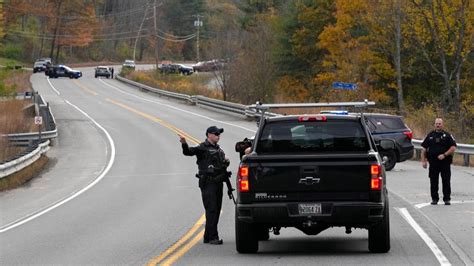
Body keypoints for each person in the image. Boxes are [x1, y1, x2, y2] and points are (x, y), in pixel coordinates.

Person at [179, 126, 229, 245]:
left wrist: (226, 162)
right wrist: (184, 143)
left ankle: (207, 236)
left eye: (219, 134)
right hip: (208, 183)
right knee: (211, 209)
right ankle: (213, 237)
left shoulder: (218, 149)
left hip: (218, 182)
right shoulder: (202, 147)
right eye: (216, 133)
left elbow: (221, 164)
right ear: (209, 135)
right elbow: (188, 152)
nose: (218, 136)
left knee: (216, 210)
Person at [421, 118, 457, 205]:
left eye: (439, 124)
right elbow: (424, 149)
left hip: (445, 162)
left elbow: (453, 148)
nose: (438, 125)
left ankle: (447, 199)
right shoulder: (430, 135)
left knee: (446, 181)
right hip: (433, 162)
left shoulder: (448, 135)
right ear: (434, 124)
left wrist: (444, 155)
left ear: (442, 125)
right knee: (433, 181)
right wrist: (424, 161)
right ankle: (434, 199)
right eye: (436, 123)